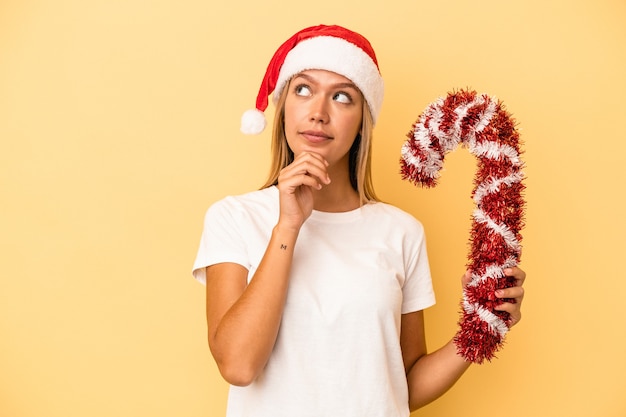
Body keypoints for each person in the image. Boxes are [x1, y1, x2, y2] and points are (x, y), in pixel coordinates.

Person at [192, 24, 526, 417]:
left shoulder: (401, 232)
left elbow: (401, 385)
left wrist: (482, 326)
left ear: (362, 119)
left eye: (342, 97)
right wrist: (288, 226)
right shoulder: (234, 217)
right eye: (303, 89)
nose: (318, 113)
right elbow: (238, 365)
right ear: (282, 106)